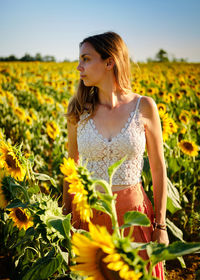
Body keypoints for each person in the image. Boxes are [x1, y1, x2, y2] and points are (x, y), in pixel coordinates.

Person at [62, 31, 169, 279]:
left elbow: (158, 168)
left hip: (132, 215)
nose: (79, 67)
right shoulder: (78, 110)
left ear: (109, 62)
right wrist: (65, 216)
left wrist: (161, 225)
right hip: (88, 217)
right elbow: (72, 165)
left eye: (86, 59)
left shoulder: (144, 106)